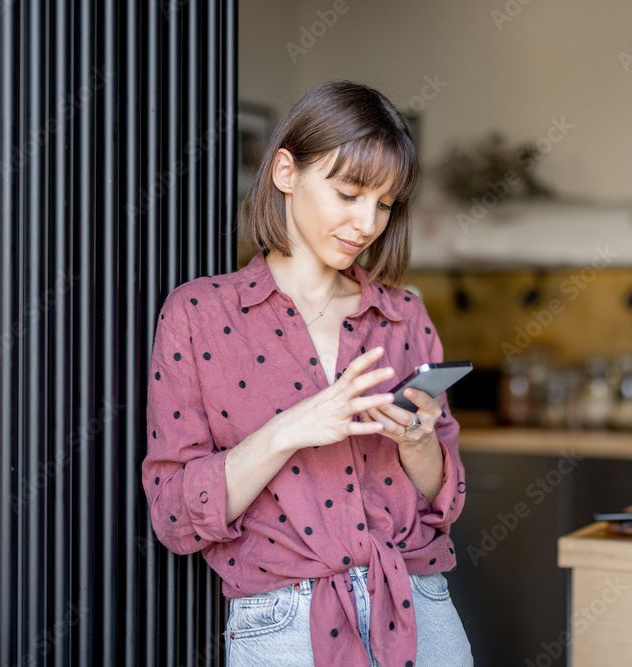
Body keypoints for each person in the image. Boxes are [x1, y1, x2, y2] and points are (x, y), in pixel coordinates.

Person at [142, 81, 473, 667]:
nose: (367, 222)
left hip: (420, 604)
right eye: (348, 194)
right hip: (283, 623)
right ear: (286, 171)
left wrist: (419, 445)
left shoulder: (403, 314)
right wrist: (288, 429)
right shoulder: (198, 314)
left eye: (385, 203)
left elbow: (444, 500)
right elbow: (174, 516)